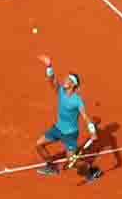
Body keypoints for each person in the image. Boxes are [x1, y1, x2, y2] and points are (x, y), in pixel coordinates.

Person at [35, 53, 96, 182]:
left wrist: (92, 130)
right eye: (66, 78)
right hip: (57, 128)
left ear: (73, 85)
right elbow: (52, 81)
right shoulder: (61, 91)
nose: (65, 80)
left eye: (68, 80)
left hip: (70, 134)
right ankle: (51, 167)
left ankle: (89, 169)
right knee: (39, 145)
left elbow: (85, 116)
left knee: (73, 162)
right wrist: (49, 66)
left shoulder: (77, 100)